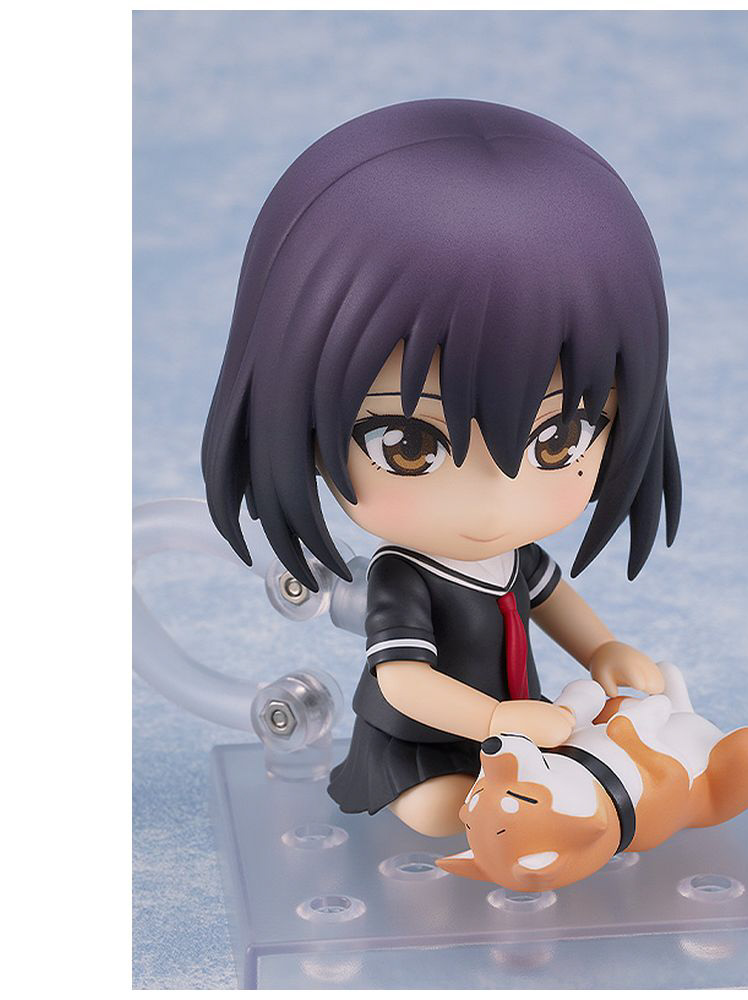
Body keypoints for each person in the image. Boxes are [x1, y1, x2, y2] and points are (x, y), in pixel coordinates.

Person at [202, 99, 681, 836]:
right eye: (408, 448)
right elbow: (402, 680)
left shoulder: (515, 558)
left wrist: (603, 649)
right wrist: (491, 719)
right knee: (439, 813)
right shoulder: (403, 577)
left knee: (534, 799)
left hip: (520, 733)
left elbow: (553, 600)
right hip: (420, 746)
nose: (494, 503)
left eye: (558, 441)